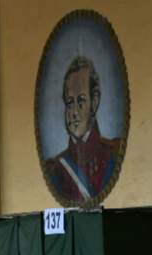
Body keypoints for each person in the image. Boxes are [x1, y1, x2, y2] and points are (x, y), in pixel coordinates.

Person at [43, 56, 121, 203]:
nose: (74, 112)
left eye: (81, 100)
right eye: (70, 102)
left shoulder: (114, 153)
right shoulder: (55, 169)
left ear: (95, 102)